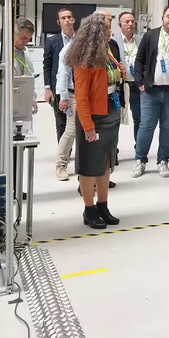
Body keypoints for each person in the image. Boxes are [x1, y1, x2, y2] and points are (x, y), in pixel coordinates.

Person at [66, 13, 123, 230]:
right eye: (107, 28)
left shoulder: (107, 52)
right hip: (93, 117)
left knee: (106, 163)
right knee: (90, 166)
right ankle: (89, 209)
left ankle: (103, 206)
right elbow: (81, 98)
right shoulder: (84, 59)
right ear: (97, 32)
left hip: (110, 111)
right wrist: (88, 126)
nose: (111, 31)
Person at [132, 4, 169, 178]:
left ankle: (163, 161)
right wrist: (140, 83)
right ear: (163, 17)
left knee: (167, 127)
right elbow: (139, 60)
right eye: (168, 16)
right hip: (151, 91)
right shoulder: (150, 36)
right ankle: (140, 160)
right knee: (146, 126)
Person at [0, 18, 37, 200]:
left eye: (28, 39)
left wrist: (32, 99)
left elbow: (29, 78)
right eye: (23, 38)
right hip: (0, 109)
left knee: (17, 148)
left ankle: (14, 188)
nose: (26, 42)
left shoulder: (24, 53)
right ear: (13, 34)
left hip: (19, 108)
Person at [44, 8, 76, 180]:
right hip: (60, 89)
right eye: (63, 18)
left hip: (79, 90)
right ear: (59, 22)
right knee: (62, 124)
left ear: (73, 20)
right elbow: (48, 65)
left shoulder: (80, 40)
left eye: (69, 17)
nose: (67, 20)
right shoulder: (53, 41)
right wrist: (48, 88)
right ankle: (64, 159)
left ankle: (68, 157)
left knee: (72, 127)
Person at [113, 11, 142, 149]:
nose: (130, 24)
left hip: (137, 85)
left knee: (139, 118)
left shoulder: (141, 40)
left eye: (132, 21)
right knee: (115, 118)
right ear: (120, 25)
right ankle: (114, 150)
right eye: (126, 22)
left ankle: (140, 148)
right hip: (120, 86)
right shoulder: (113, 42)